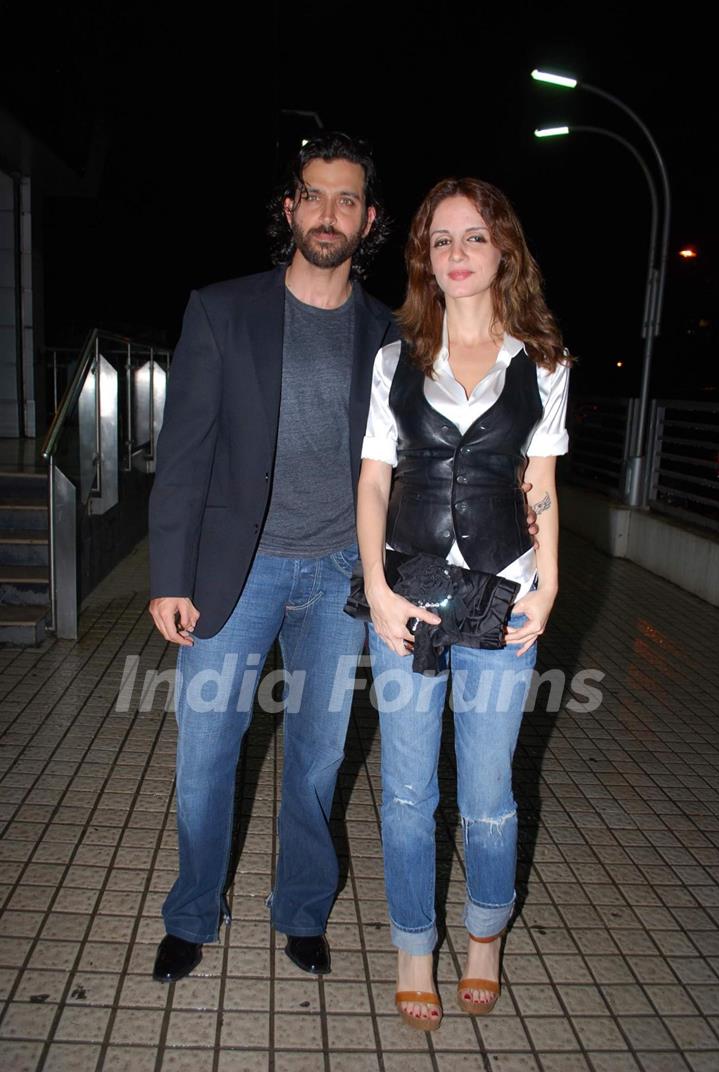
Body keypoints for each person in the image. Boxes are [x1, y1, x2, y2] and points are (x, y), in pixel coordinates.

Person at [147, 132, 402, 982]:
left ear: (368, 220)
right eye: (315, 196)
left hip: (339, 576)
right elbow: (183, 453)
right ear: (290, 207)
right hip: (238, 570)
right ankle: (193, 912)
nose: (329, 213)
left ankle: (300, 910)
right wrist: (169, 578)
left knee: (319, 759)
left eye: (348, 199)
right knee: (205, 756)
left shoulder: (391, 332)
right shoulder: (223, 309)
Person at [356, 177, 570, 1030]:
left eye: (473, 237)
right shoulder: (394, 357)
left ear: (502, 249)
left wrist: (549, 583)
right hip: (408, 590)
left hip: (505, 591)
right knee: (407, 792)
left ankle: (485, 936)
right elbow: (374, 479)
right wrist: (373, 585)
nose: (456, 253)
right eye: (440, 240)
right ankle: (416, 945)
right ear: (425, 259)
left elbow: (540, 482)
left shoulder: (543, 361)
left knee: (487, 791)